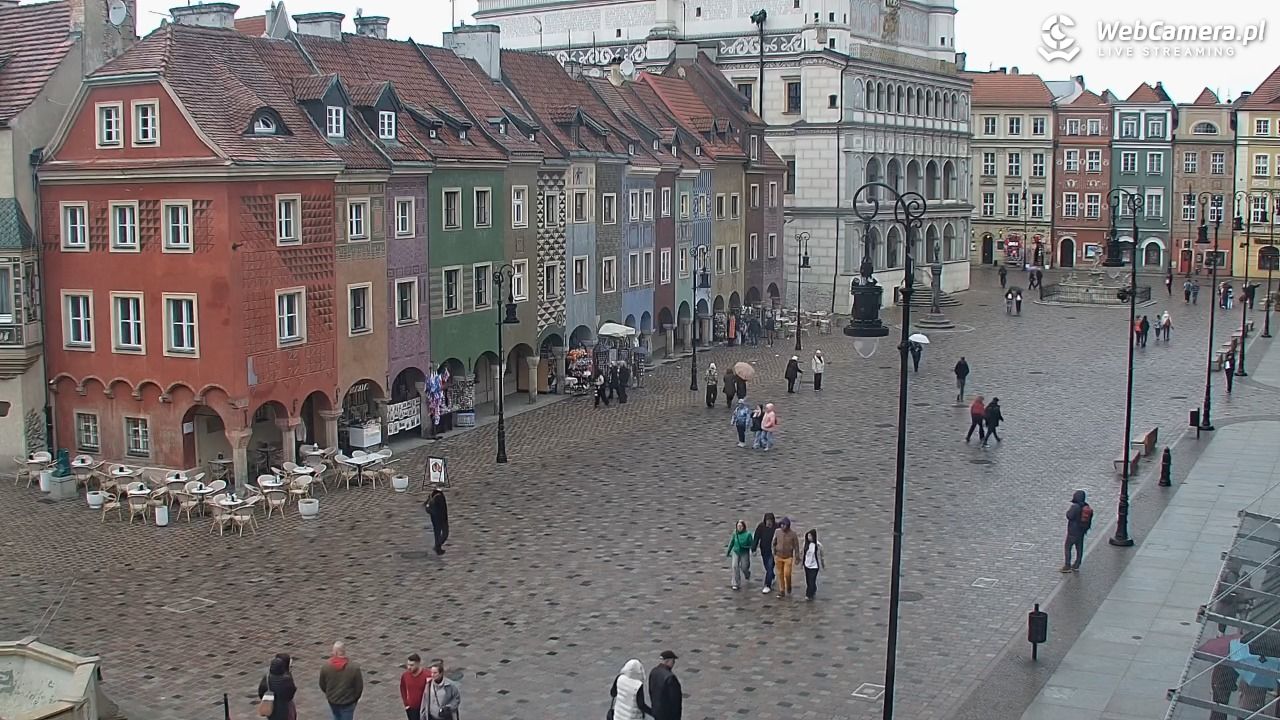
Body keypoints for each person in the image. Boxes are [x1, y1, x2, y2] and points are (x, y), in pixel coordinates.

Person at [318, 641, 363, 720]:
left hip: (332, 701)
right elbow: (359, 687)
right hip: (348, 702)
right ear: (344, 652)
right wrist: (354, 699)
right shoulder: (354, 668)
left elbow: (322, 684)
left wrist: (330, 694)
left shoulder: (326, 667)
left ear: (335, 652)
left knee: (336, 716)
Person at [257, 653, 298, 720]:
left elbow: (261, 692)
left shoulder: (267, 678)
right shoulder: (286, 679)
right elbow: (291, 694)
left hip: (271, 708)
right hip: (284, 708)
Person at [1060, 490, 1092, 572]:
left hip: (1073, 531)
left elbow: (1069, 516)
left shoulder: (1075, 507)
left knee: (1068, 547)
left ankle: (1067, 565)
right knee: (1079, 548)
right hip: (1081, 531)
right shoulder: (1086, 506)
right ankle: (1077, 564)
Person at [771, 517, 801, 598]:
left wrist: (797, 557)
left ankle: (788, 585)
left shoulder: (793, 534)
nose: (782, 526)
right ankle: (782, 590)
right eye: (781, 525)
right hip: (778, 556)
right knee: (780, 574)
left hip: (788, 557)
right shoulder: (777, 532)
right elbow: (774, 542)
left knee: (787, 573)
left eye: (784, 525)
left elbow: (796, 546)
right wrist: (774, 551)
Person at [648, 651, 683, 720]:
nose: (674, 664)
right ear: (668, 661)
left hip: (657, 711)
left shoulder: (654, 671)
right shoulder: (670, 677)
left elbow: (651, 691)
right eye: (673, 661)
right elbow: (675, 700)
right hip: (668, 715)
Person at [726, 520, 754, 590]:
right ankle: (735, 583)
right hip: (736, 551)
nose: (739, 528)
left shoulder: (748, 534)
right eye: (738, 526)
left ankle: (747, 574)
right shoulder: (735, 533)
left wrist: (752, 550)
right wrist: (728, 551)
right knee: (735, 566)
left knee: (744, 567)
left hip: (744, 552)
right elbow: (732, 542)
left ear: (744, 527)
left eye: (741, 526)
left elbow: (752, 544)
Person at [400, 655, 429, 720]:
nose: (409, 667)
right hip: (412, 709)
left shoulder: (427, 675)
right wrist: (406, 704)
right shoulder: (405, 675)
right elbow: (402, 688)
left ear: (418, 664)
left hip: (425, 708)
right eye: (408, 665)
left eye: (412, 665)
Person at [753, 513, 777, 594]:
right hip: (764, 550)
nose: (768, 523)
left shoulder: (777, 527)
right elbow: (756, 537)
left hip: (773, 552)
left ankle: (767, 585)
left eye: (770, 521)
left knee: (770, 566)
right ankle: (772, 576)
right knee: (767, 566)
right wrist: (753, 549)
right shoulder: (761, 527)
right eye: (767, 521)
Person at [425, 488, 449, 555]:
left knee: (438, 534)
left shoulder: (434, 495)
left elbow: (427, 507)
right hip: (441, 519)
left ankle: (437, 547)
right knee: (444, 534)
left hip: (437, 519)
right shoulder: (438, 497)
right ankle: (437, 547)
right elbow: (430, 509)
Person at [801, 529, 824, 600]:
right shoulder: (805, 544)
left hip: (814, 566)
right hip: (807, 565)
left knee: (812, 580)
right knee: (808, 580)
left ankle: (809, 594)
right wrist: (801, 562)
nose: (809, 538)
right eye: (808, 536)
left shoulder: (818, 545)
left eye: (810, 536)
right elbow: (803, 553)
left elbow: (821, 556)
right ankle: (813, 589)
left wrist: (822, 564)